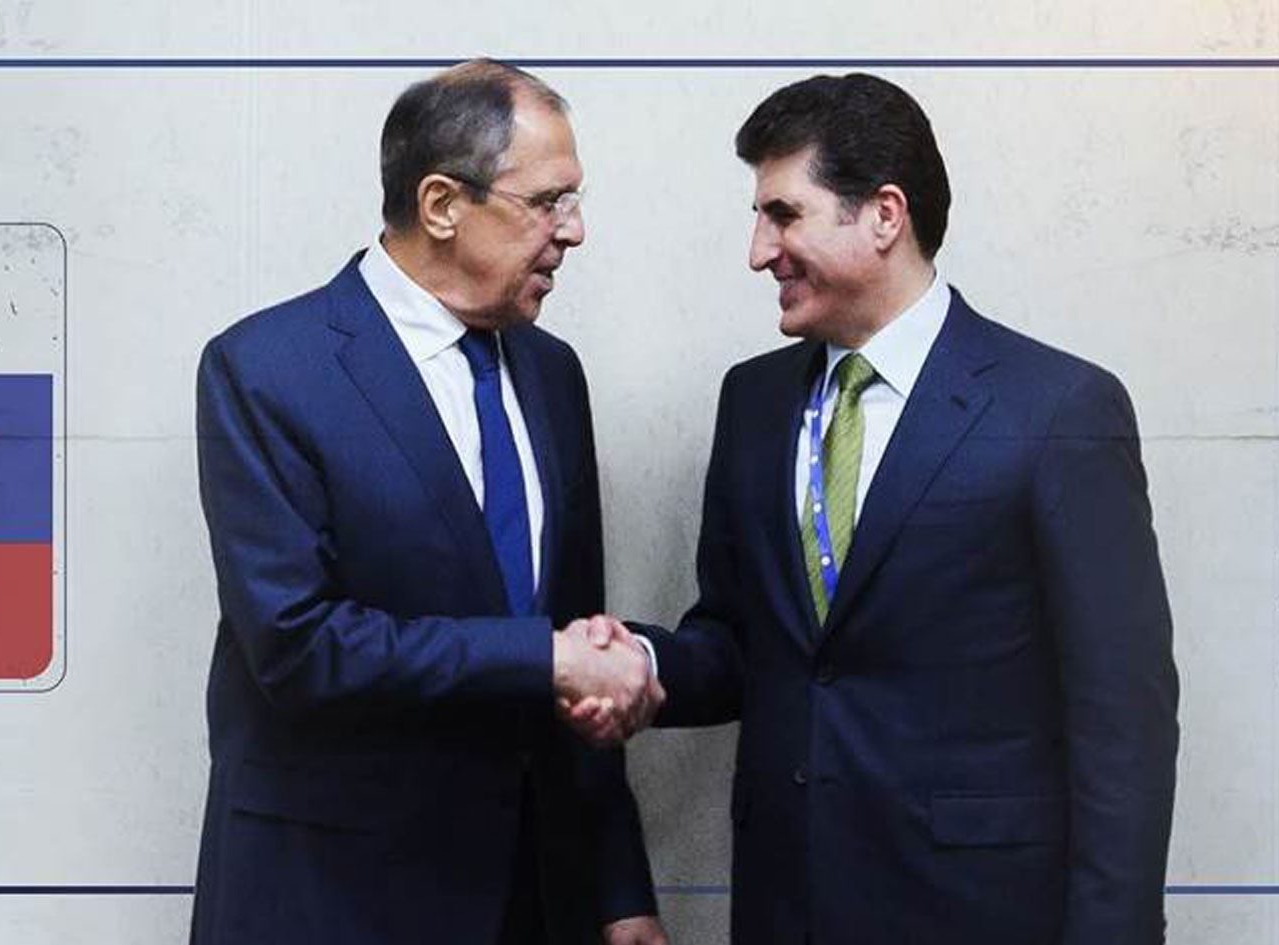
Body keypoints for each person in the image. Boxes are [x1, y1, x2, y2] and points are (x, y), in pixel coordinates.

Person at [576, 73, 1180, 944]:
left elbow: (1123, 720)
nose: (758, 251)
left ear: (884, 215)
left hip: (978, 915)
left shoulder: (1057, 410)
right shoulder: (754, 402)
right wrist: (634, 659)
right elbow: (743, 645)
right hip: (788, 910)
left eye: (783, 214)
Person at [190, 60, 666, 945]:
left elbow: (574, 635)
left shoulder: (552, 374)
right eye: (548, 201)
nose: (575, 231)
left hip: (530, 902)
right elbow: (297, 646)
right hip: (333, 902)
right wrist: (545, 657)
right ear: (442, 203)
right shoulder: (266, 371)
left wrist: (617, 887)